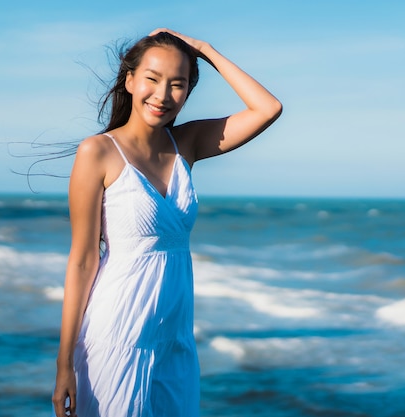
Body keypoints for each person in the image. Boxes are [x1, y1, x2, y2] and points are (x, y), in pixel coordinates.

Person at [52, 28, 282, 417]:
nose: (162, 95)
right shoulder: (98, 151)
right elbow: (82, 261)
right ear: (130, 80)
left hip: (174, 338)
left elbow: (267, 108)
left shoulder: (187, 144)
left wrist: (205, 50)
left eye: (177, 84)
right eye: (152, 79)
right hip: (118, 330)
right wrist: (64, 364)